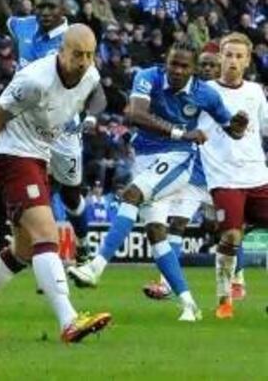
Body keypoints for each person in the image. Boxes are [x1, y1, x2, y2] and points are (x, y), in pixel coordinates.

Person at [0, 24, 112, 343]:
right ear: (61, 51)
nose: (84, 61)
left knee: (22, 249)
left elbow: (89, 96)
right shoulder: (34, 80)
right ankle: (69, 321)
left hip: (38, 157)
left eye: (90, 55)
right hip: (11, 156)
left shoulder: (89, 76)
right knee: (47, 233)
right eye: (77, 54)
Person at [68, 41, 248, 322]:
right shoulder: (148, 76)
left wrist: (238, 126)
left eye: (183, 66)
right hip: (145, 157)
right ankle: (190, 305)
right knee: (156, 235)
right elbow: (135, 114)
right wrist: (180, 132)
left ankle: (95, 267)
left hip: (178, 159)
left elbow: (232, 129)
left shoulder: (206, 94)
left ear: (194, 70)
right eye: (173, 64)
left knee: (131, 195)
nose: (176, 70)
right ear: (166, 62)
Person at [0, 0, 99, 263]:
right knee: (34, 187)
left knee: (71, 193)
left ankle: (84, 242)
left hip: (62, 127)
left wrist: (89, 117)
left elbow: (93, 86)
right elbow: (2, 20)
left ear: (63, 9)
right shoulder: (26, 28)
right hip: (24, 126)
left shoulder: (72, 40)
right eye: (40, 7)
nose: (44, 12)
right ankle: (39, 252)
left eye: (51, 7)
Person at [197, 33, 268, 318]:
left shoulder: (254, 92)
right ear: (220, 58)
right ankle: (224, 298)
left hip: (258, 175)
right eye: (228, 55)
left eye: (239, 56)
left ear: (248, 60)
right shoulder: (204, 92)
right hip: (224, 178)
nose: (233, 61)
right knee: (231, 235)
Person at [141, 51, 221, 300]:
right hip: (195, 170)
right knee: (177, 223)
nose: (207, 69)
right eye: (204, 64)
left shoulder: (219, 97)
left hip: (223, 174)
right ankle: (166, 283)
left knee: (225, 229)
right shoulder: (190, 93)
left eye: (212, 65)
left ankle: (236, 280)